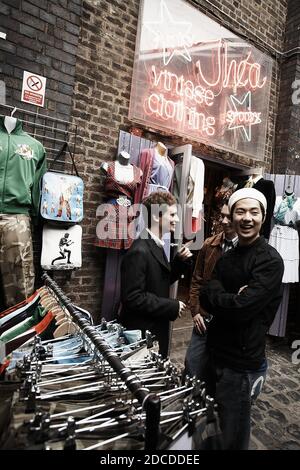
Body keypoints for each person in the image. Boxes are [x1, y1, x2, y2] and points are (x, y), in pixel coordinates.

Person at [200, 188, 284, 450]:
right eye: (240, 211)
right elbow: (205, 291)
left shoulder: (270, 261)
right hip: (214, 353)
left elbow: (241, 310)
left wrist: (220, 297)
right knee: (208, 424)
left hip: (241, 364)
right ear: (232, 217)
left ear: (264, 216)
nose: (247, 218)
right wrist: (227, 297)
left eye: (254, 212)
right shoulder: (227, 257)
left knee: (231, 434)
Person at [119, 191, 192, 358]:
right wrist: (171, 306)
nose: (177, 219)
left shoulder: (155, 244)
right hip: (143, 334)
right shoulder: (139, 251)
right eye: (172, 214)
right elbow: (132, 298)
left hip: (153, 328)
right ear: (158, 217)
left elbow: (159, 280)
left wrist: (180, 262)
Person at [185, 201, 237, 380]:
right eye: (221, 215)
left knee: (218, 371)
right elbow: (197, 280)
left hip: (227, 323)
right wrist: (196, 311)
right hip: (204, 318)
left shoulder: (246, 251)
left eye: (228, 217)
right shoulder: (209, 245)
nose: (223, 221)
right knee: (192, 364)